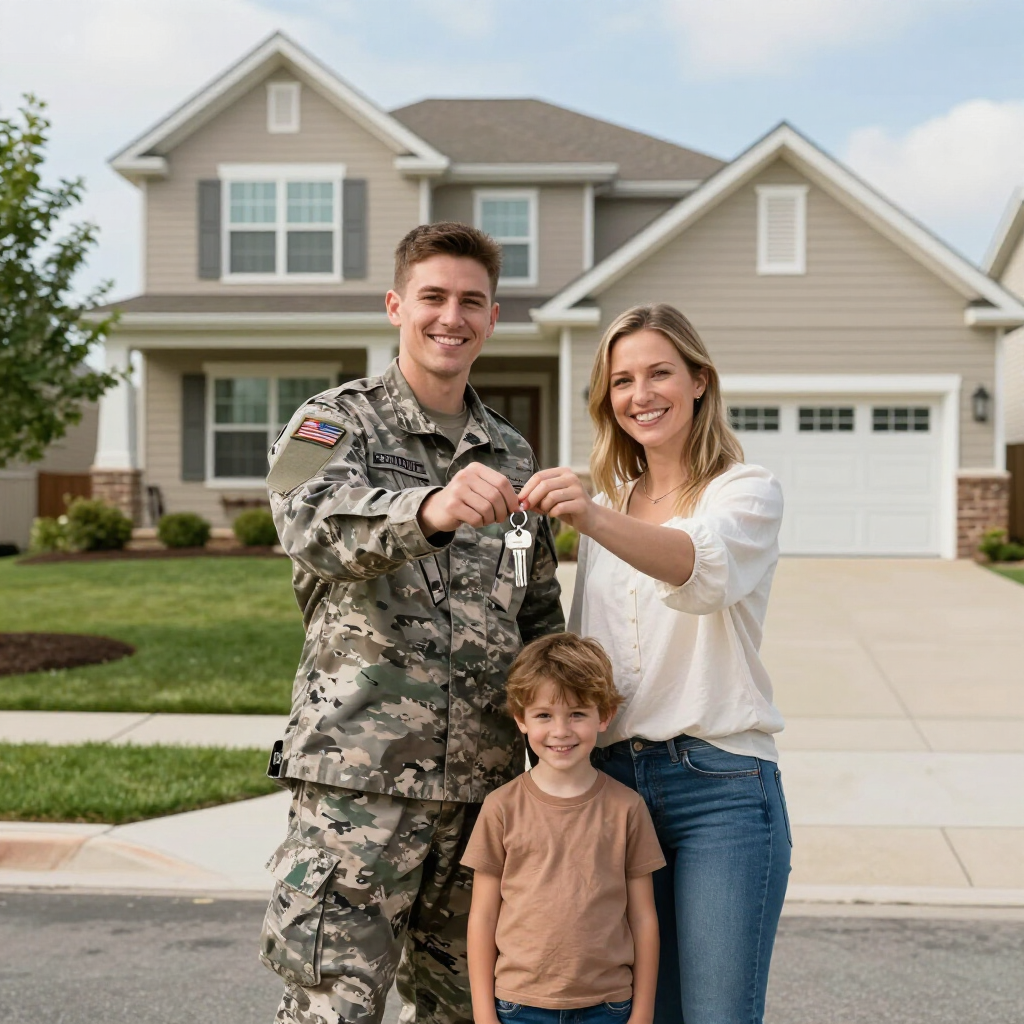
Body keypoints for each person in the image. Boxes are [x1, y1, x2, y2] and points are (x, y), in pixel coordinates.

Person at [259, 222, 564, 1024]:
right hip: (358, 788)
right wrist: (427, 507)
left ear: (492, 318)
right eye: (432, 297)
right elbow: (306, 524)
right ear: (398, 305)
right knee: (332, 1009)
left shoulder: (513, 456)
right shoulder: (332, 423)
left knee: (472, 1010)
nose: (450, 317)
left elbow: (536, 613)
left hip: (483, 796)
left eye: (471, 301)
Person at [518, 303, 791, 1024]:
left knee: (715, 1016)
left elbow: (695, 566)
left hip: (721, 789)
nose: (641, 395)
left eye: (660, 373)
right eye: (622, 380)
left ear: (700, 380)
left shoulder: (745, 490)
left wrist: (592, 518)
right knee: (633, 1012)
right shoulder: (605, 504)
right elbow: (588, 657)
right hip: (611, 788)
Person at [463, 632, 664, 1024]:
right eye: (543, 715)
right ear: (521, 718)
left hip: (608, 1006)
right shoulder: (501, 807)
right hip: (518, 1007)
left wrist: (642, 1014)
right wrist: (484, 1016)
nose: (561, 731)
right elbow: (483, 917)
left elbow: (643, 918)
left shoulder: (627, 808)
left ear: (603, 715)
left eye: (577, 714)